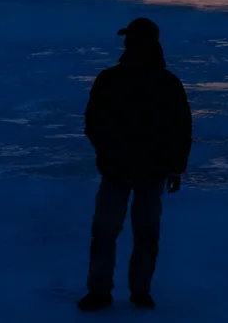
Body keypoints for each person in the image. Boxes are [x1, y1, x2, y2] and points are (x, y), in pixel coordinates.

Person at [77, 18, 192, 312]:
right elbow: (93, 122)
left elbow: (180, 129)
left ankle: (139, 290)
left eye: (133, 40)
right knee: (105, 233)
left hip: (150, 173)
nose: (129, 46)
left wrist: (175, 167)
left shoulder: (166, 84)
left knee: (145, 234)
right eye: (128, 41)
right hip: (116, 172)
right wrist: (109, 153)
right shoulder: (110, 79)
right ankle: (100, 291)